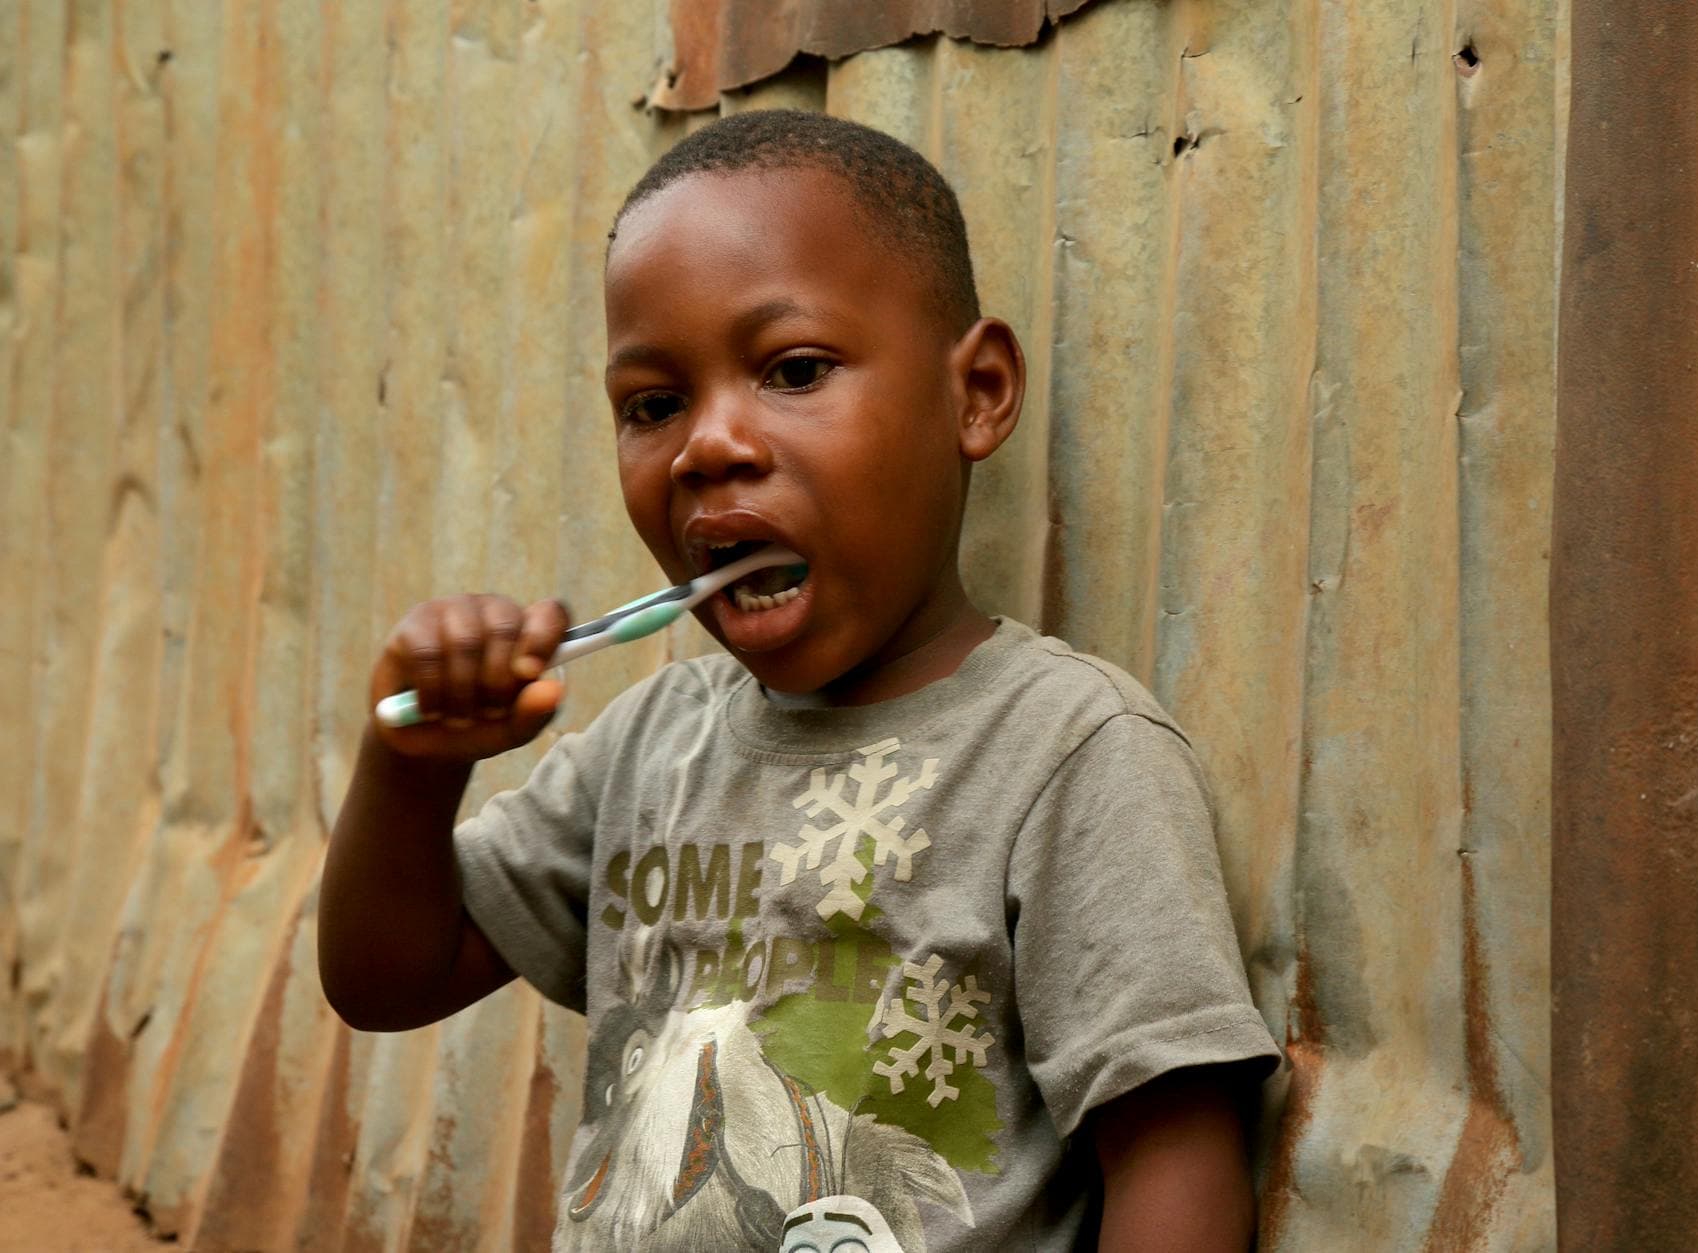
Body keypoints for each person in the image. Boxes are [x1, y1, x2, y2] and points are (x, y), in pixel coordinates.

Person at [319, 109, 1278, 1252]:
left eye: (794, 369)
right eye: (652, 404)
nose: (705, 447)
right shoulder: (649, 745)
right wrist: (411, 768)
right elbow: (386, 976)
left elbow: (1173, 1151)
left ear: (974, 392)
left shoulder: (1064, 750)